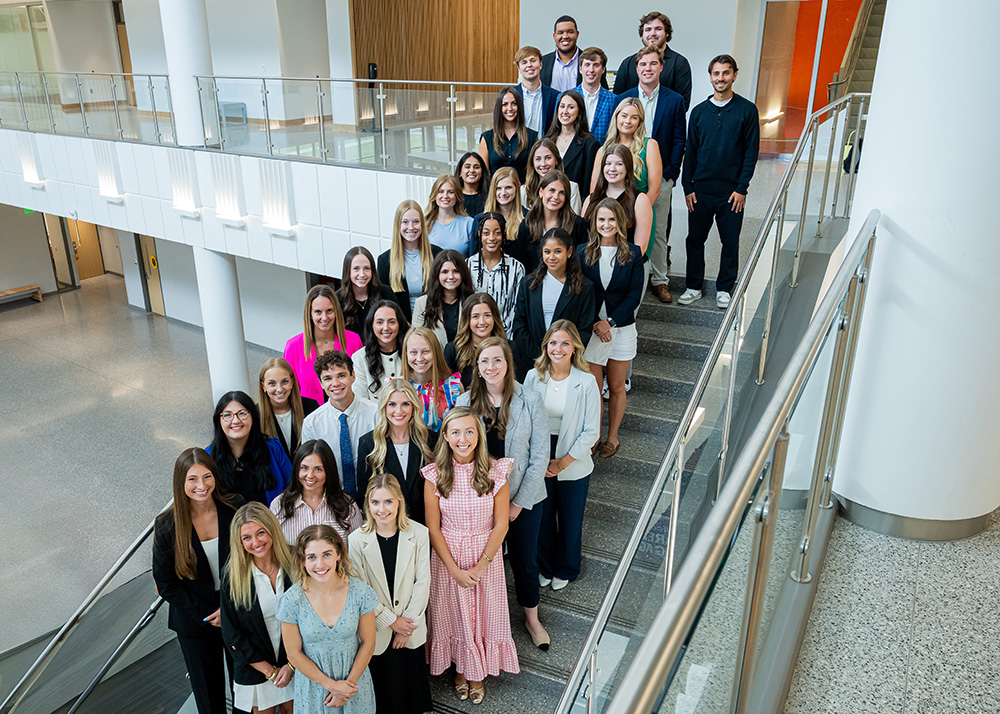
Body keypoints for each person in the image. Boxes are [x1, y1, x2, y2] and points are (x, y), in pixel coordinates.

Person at [456, 337, 551, 650]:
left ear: (508, 364)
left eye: (497, 360)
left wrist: (518, 503)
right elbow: (458, 452)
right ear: (478, 368)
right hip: (479, 500)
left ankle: (532, 619)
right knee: (484, 562)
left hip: (525, 497)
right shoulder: (465, 402)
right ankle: (483, 623)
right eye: (484, 361)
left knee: (525, 561)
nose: (491, 366)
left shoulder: (531, 399)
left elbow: (539, 456)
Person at [421, 407, 519, 704]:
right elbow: (432, 528)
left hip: (484, 553)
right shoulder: (434, 475)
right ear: (446, 436)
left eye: (469, 432)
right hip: (446, 556)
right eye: (455, 432)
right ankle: (461, 670)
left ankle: (477, 673)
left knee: (482, 615)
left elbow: (501, 524)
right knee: (453, 616)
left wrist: (481, 565)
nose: (463, 438)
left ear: (479, 435)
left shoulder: (495, 471)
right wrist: (454, 569)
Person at [152, 448, 241, 714]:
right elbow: (166, 583)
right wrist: (208, 614)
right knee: (208, 696)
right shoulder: (167, 524)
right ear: (181, 482)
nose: (201, 486)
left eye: (206, 477)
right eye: (192, 479)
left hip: (235, 609)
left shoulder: (235, 507)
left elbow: (251, 562)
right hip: (194, 618)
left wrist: (228, 610)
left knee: (246, 690)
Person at [523, 321, 601, 590]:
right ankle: (545, 565)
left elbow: (591, 432)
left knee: (570, 519)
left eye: (565, 343)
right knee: (543, 517)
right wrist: (541, 460)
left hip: (573, 458)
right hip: (540, 455)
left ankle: (566, 568)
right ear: (546, 346)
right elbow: (525, 421)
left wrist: (562, 462)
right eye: (553, 342)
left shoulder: (587, 381)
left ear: (574, 347)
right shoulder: (534, 376)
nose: (559, 348)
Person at [679, 54, 760, 309]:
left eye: (726, 73)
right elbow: (690, 152)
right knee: (694, 239)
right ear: (710, 76)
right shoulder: (699, 112)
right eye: (716, 73)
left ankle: (725, 288)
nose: (721, 78)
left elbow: (750, 153)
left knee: (730, 240)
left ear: (735, 75)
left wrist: (741, 188)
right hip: (701, 189)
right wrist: (687, 187)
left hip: (731, 192)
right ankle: (693, 286)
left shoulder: (747, 110)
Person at [348, 474, 433, 714]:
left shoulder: (419, 533)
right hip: (379, 630)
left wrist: (407, 624)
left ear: (399, 502)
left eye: (388, 502)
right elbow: (360, 589)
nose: (381, 509)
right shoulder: (356, 540)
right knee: (384, 698)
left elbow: (422, 581)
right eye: (375, 502)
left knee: (411, 697)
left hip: (410, 629)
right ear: (367, 505)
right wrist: (391, 622)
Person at [277, 525, 377, 713]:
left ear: (339, 554)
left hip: (354, 685)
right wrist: (332, 686)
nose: (320, 564)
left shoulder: (361, 593)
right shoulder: (291, 600)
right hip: (313, 688)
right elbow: (293, 654)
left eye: (327, 554)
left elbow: (368, 642)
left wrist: (346, 688)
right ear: (302, 560)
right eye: (312, 557)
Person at [614, 45, 686, 304]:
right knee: (623, 227)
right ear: (637, 68)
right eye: (643, 64)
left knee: (657, 231)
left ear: (661, 67)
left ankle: (659, 280)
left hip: (658, 176)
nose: (648, 68)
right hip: (621, 179)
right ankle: (625, 275)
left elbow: (679, 140)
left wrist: (669, 175)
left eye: (653, 64)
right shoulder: (622, 98)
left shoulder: (674, 100)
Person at [579, 199, 644, 457]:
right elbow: (580, 290)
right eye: (601, 220)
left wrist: (611, 322)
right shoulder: (582, 251)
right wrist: (596, 321)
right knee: (594, 389)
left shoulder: (634, 253)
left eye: (611, 219)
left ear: (620, 222)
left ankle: (612, 438)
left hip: (621, 328)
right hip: (593, 328)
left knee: (616, 386)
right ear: (594, 223)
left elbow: (634, 296)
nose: (606, 224)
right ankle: (593, 436)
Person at [221, 503, 295, 714]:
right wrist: (270, 672)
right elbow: (232, 634)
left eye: (261, 533)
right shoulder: (232, 577)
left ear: (272, 530)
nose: (256, 542)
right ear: (239, 541)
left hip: (297, 663)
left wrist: (292, 665)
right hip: (256, 667)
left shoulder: (296, 561)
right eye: (247, 538)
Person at [512, 227, 596, 379]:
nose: (552, 257)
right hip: (533, 361)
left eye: (557, 251)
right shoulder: (528, 284)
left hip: (566, 361)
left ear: (569, 251)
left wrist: (561, 354)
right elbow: (519, 325)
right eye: (547, 251)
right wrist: (541, 356)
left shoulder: (584, 288)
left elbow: (584, 329)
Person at [356, 379, 437, 525]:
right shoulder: (368, 443)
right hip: (387, 527)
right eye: (392, 404)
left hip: (425, 526)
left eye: (405, 404)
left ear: (413, 406)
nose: (398, 411)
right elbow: (364, 495)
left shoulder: (430, 439)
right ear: (384, 407)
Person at [301, 350, 378, 503]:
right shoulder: (312, 423)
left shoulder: (376, 414)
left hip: (374, 495)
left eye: (341, 375)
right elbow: (311, 469)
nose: (335, 383)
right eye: (328, 378)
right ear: (321, 383)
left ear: (353, 376)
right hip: (332, 498)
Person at [270, 439, 363, 544]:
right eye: (304, 468)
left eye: (318, 469)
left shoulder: (347, 505)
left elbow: (358, 548)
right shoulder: (279, 505)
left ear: (328, 471)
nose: (310, 475)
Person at [208, 391, 292, 506]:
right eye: (227, 415)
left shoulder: (273, 449)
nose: (236, 420)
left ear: (253, 416)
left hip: (271, 521)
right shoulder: (208, 458)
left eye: (242, 413)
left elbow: (293, 487)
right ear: (219, 420)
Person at [284, 285, 363, 405]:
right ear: (310, 314)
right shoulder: (293, 347)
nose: (324, 318)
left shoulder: (354, 340)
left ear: (336, 311)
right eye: (318, 312)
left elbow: (361, 383)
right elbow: (290, 390)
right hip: (310, 415)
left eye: (329, 311)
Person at [376, 199, 442, 324]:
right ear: (398, 225)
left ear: (422, 224)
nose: (411, 227)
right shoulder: (384, 261)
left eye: (416, 222)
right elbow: (384, 302)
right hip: (400, 324)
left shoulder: (437, 255)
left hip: (433, 321)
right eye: (405, 222)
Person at [511, 170, 589, 274]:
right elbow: (523, 265)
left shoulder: (578, 224)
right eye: (552, 190)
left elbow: (581, 264)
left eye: (562, 192)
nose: (556, 197)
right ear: (541, 192)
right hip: (535, 285)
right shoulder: (527, 225)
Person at [612, 11, 693, 110]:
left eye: (658, 29)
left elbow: (682, 104)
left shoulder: (679, 63)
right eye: (648, 29)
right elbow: (618, 101)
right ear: (642, 34)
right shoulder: (627, 64)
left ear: (667, 33)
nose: (652, 33)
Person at [582, 144, 654, 255]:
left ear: (628, 167)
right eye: (608, 164)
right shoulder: (591, 199)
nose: (612, 169)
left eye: (619, 164)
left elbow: (640, 247)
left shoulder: (640, 200)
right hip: (593, 265)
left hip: (626, 265)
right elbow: (583, 240)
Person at [466, 215, 525, 333]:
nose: (491, 238)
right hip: (473, 336)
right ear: (479, 234)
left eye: (497, 233)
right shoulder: (467, 265)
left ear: (503, 234)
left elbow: (516, 309)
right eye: (486, 233)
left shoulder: (516, 268)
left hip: (505, 337)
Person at [401, 326, 462, 430]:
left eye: (426, 351)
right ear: (406, 354)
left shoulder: (453, 387)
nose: (419, 358)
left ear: (436, 352)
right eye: (413, 352)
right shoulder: (397, 388)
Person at [258, 357, 320, 459]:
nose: (279, 389)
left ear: (292, 382)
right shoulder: (255, 415)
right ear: (263, 386)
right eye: (272, 383)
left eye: (284, 382)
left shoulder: (311, 407)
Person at [444, 292, 509, 387]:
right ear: (467, 320)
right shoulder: (452, 350)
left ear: (494, 318)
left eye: (487, 315)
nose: (482, 322)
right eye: (475, 316)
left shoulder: (509, 348)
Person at [412, 249, 474, 347]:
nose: (450, 277)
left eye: (456, 271)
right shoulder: (422, 303)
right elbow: (416, 340)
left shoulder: (473, 301)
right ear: (437, 274)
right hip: (435, 359)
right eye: (445, 272)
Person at [547, 91, 600, 202]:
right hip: (547, 205)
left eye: (571, 107)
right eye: (562, 106)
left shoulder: (590, 145)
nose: (565, 111)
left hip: (574, 205)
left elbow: (587, 187)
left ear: (579, 112)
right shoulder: (546, 141)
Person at [478, 87, 538, 184]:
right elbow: (482, 175)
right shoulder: (487, 138)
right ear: (499, 108)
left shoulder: (532, 136)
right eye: (504, 104)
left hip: (524, 194)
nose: (510, 108)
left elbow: (535, 172)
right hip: (496, 194)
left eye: (514, 104)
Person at [352, 300, 408, 403]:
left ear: (399, 324)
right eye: (379, 322)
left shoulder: (410, 352)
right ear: (371, 325)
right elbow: (360, 399)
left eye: (392, 322)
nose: (386, 328)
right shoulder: (360, 357)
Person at [522, 137, 582, 213]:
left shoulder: (572, 188)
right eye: (538, 159)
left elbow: (575, 222)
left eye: (548, 158)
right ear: (532, 162)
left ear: (556, 160)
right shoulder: (524, 191)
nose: (543, 164)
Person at [337, 247, 384, 340]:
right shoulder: (337, 299)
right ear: (348, 271)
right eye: (356, 269)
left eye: (367, 268)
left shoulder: (385, 293)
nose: (362, 274)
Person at [512, 46, 559, 135]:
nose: (529, 65)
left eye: (533, 60)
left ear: (540, 64)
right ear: (518, 68)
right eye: (524, 62)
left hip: (545, 147)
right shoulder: (510, 95)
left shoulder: (555, 96)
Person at [574, 47, 616, 144]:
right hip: (574, 156)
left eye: (596, 65)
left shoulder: (613, 100)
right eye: (587, 65)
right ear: (580, 69)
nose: (591, 70)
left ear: (603, 69)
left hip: (603, 154)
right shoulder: (567, 98)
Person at [425, 174, 475, 256]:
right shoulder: (424, 223)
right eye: (441, 191)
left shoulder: (469, 223)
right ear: (435, 195)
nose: (445, 196)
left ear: (457, 196)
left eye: (450, 192)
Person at [481, 167, 526, 247]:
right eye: (498, 188)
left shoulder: (527, 219)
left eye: (508, 188)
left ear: (518, 187)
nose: (503, 193)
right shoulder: (480, 219)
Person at [541, 15, 581, 92]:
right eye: (560, 32)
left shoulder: (590, 62)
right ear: (554, 36)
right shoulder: (542, 63)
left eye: (570, 32)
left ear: (577, 34)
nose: (565, 36)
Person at [455, 152, 490, 218]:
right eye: (467, 167)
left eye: (476, 167)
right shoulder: (454, 195)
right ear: (460, 172)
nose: (472, 170)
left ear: (482, 172)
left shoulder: (490, 195)